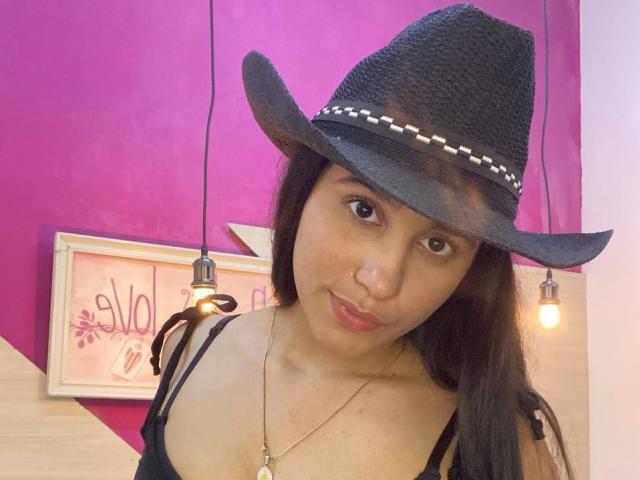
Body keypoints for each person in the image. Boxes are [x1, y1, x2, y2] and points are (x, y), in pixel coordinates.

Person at [134, 4, 612, 479]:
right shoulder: (189, 349)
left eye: (438, 244)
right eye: (363, 209)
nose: (380, 281)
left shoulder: (497, 442)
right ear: (305, 190)